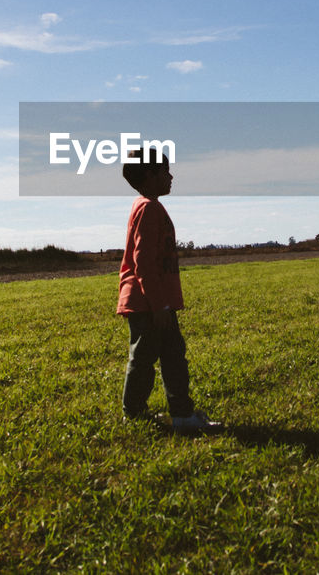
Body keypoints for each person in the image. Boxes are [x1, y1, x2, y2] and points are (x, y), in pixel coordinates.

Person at [117, 147, 222, 433]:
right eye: (165, 171)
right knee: (146, 358)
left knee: (172, 355)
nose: (171, 176)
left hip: (153, 302)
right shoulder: (148, 208)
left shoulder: (148, 206)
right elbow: (143, 262)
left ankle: (181, 412)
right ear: (150, 175)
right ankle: (136, 412)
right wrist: (159, 304)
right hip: (148, 303)